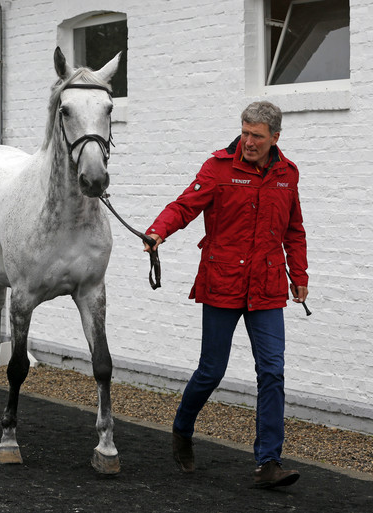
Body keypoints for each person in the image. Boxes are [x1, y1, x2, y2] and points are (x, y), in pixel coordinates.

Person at [143, 101, 308, 489]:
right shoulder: (219, 168)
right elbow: (185, 205)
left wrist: (298, 274)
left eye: (257, 136)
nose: (248, 142)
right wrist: (157, 232)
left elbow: (294, 230)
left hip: (267, 287)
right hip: (223, 282)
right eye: (245, 132)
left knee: (272, 371)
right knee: (211, 371)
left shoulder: (287, 174)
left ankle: (268, 462)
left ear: (275, 138)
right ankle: (182, 428)